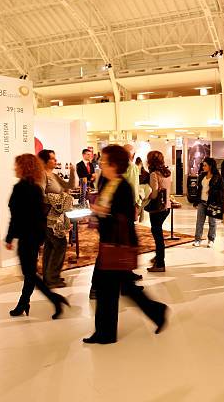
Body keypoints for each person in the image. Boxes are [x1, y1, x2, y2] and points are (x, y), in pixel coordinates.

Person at [83, 145, 168, 344]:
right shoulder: (106, 182)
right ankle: (153, 312)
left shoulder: (122, 187)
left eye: (103, 160)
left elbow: (123, 218)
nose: (100, 163)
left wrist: (101, 211)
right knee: (116, 288)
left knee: (111, 289)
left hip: (120, 243)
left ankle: (106, 332)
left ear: (114, 164)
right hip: (109, 242)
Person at [6, 154, 69, 320]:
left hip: (28, 236)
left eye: (17, 165)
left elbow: (18, 216)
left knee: (30, 273)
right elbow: (32, 214)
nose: (14, 168)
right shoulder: (31, 187)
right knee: (29, 273)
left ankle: (52, 300)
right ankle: (25, 302)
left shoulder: (22, 188)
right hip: (32, 235)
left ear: (24, 167)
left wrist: (10, 237)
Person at [38, 149, 76, 288]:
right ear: (44, 161)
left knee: (51, 245)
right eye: (53, 158)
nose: (55, 160)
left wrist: (72, 172)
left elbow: (69, 186)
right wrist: (57, 199)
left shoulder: (53, 175)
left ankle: (48, 277)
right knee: (60, 244)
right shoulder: (42, 175)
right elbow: (40, 195)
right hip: (50, 217)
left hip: (57, 216)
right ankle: (52, 278)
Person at [146, 151, 172, 273]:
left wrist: (145, 195)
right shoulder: (167, 173)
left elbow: (154, 193)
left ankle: (160, 263)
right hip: (166, 207)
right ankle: (158, 258)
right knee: (159, 234)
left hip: (157, 208)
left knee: (158, 236)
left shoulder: (154, 174)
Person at [193, 158, 224, 248]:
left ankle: (211, 240)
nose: (203, 167)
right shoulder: (202, 176)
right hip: (201, 202)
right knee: (199, 221)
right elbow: (199, 190)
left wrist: (212, 192)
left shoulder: (217, 177)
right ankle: (197, 239)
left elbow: (221, 191)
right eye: (203, 165)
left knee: (212, 222)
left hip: (212, 202)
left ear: (210, 166)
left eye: (205, 165)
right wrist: (196, 201)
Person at [122, 144, 141, 213]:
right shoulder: (132, 167)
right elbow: (133, 186)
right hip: (128, 203)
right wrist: (137, 203)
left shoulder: (116, 166)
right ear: (133, 155)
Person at [136, 156, 152, 223]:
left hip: (144, 191)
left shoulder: (146, 173)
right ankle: (138, 214)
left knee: (144, 193)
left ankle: (137, 213)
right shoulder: (136, 171)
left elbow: (148, 184)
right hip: (139, 191)